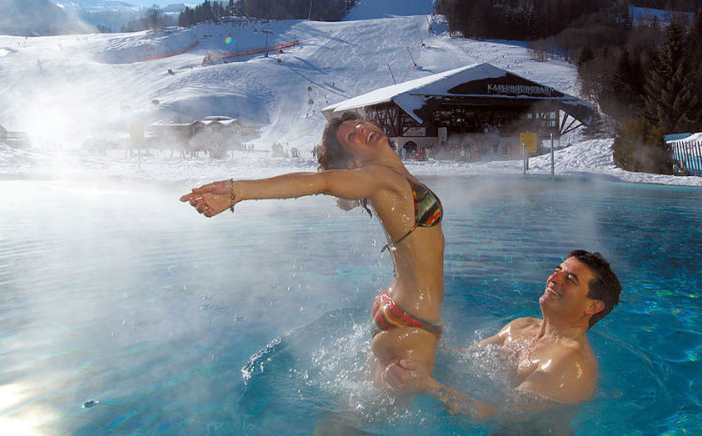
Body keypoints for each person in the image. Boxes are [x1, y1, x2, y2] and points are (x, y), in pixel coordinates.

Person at [180, 111, 445, 385]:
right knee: (411, 408)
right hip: (412, 321)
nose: (362, 129)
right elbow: (322, 182)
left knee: (361, 403)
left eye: (359, 123)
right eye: (351, 136)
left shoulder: (394, 176)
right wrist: (238, 191)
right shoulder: (378, 177)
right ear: (353, 160)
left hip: (396, 307)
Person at [383, 250, 621, 419]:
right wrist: (411, 334)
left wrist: (427, 385)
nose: (553, 279)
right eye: (557, 270)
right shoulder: (521, 326)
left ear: (593, 306)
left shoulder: (569, 363)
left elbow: (501, 416)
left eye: (570, 279)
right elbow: (463, 359)